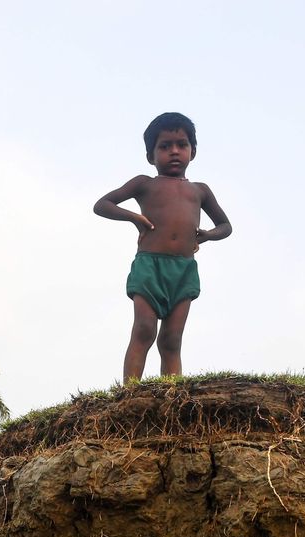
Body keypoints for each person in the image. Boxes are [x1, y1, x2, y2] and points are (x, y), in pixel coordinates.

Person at [94, 112, 232, 382]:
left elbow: (225, 225)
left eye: (181, 144)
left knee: (171, 338)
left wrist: (207, 235)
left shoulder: (200, 190)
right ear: (151, 155)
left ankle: (170, 393)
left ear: (193, 152)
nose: (174, 151)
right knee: (144, 329)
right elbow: (102, 205)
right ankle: (131, 392)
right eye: (165, 146)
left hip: (183, 270)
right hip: (150, 267)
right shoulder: (144, 183)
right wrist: (134, 217)